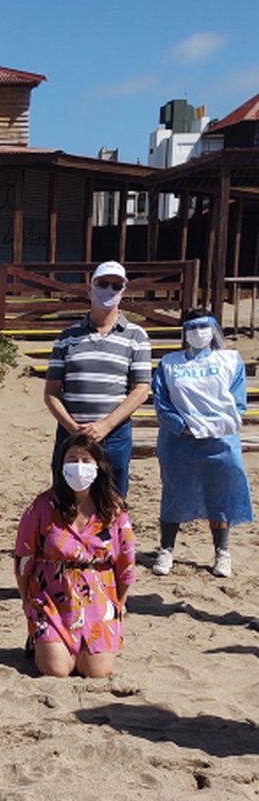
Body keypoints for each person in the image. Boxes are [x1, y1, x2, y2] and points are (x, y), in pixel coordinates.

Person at [14, 434, 136, 678]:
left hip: (99, 597)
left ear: (98, 467)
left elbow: (126, 563)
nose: (78, 466)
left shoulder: (113, 510)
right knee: (56, 670)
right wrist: (26, 600)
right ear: (61, 466)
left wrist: (119, 603)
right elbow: (23, 557)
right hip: (52, 597)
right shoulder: (42, 506)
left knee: (97, 671)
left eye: (85, 460)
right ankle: (39, 637)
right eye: (72, 459)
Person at [151, 308, 251, 577]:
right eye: (191, 327)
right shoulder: (170, 364)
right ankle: (166, 549)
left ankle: (222, 552)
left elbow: (237, 402)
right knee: (174, 492)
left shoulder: (229, 360)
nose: (197, 333)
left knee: (221, 492)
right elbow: (161, 402)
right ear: (184, 332)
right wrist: (181, 427)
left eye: (203, 326)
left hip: (220, 440)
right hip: (179, 441)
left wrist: (217, 426)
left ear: (214, 329)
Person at [43, 261, 152, 497]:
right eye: (103, 284)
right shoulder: (67, 337)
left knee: (112, 499)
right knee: (67, 499)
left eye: (116, 286)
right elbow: (51, 392)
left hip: (114, 435)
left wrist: (106, 425)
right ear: (90, 287)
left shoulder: (136, 336)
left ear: (123, 291)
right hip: (70, 435)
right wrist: (73, 428)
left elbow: (141, 389)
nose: (109, 290)